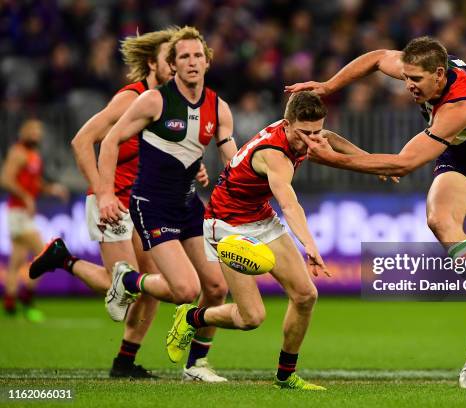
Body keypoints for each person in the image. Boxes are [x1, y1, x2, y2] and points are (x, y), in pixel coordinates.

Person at [287, 36, 466, 389]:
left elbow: (404, 164)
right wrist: (329, 86)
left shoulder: (461, 106)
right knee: (439, 218)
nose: (408, 86)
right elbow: (376, 58)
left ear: (439, 74)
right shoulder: (423, 64)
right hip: (459, 160)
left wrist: (333, 158)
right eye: (405, 77)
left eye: (415, 80)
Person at [29, 27, 225, 382]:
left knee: (148, 285)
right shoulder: (131, 98)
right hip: (114, 201)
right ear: (156, 63)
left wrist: (193, 167)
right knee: (120, 282)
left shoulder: (175, 105)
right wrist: (101, 192)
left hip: (147, 202)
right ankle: (65, 259)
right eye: (173, 57)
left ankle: (125, 361)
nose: (178, 63)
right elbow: (82, 140)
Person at [165, 91, 372, 391]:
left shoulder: (305, 129)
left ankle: (285, 376)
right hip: (227, 224)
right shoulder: (274, 156)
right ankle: (192, 316)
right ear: (287, 125)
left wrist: (369, 161)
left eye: (317, 132)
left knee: (305, 295)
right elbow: (290, 205)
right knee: (251, 318)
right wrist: (310, 245)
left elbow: (330, 137)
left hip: (259, 217)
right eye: (306, 134)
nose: (314, 141)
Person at [96, 26, 237, 380]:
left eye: (197, 56)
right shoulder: (154, 101)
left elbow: (231, 159)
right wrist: (105, 194)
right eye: (184, 57)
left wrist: (246, 188)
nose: (192, 62)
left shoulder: (218, 108)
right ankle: (128, 282)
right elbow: (110, 142)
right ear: (173, 65)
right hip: (152, 205)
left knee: (218, 288)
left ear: (208, 61)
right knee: (186, 291)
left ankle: (196, 365)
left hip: (189, 205)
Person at [1, 118, 68, 322]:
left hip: (22, 214)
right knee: (45, 254)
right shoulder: (18, 152)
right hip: (18, 212)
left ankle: (10, 304)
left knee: (17, 261)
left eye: (38, 131)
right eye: (32, 130)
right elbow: (5, 178)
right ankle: (27, 299)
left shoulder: (33, 156)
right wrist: (26, 197)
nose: (36, 134)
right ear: (23, 132)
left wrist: (51, 189)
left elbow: (34, 182)